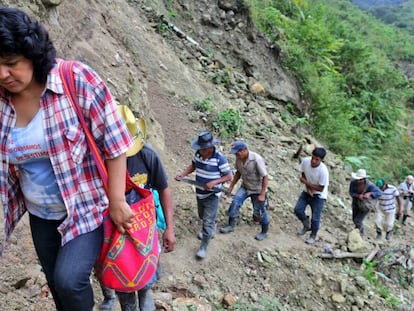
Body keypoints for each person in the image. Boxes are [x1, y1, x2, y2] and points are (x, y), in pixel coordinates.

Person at [0, 8, 134, 311]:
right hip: (40, 214)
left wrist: (116, 200)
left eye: (10, 64)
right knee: (56, 284)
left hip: (86, 208)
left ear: (31, 53)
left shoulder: (75, 79)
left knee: (69, 280)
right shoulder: (2, 101)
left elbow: (115, 144)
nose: (2, 75)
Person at [98, 105, 176, 311]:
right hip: (116, 232)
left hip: (144, 229)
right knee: (125, 290)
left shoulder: (147, 155)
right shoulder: (99, 160)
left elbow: (164, 189)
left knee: (145, 284)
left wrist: (169, 228)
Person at [175, 131, 232, 259]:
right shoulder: (198, 155)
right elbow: (193, 166)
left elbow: (229, 176)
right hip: (200, 192)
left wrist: (214, 182)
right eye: (199, 149)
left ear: (210, 148)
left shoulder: (219, 159)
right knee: (202, 215)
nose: (200, 151)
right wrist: (183, 174)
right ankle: (212, 225)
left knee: (207, 222)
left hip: (212, 195)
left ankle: (203, 246)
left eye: (202, 149)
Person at [219, 141, 270, 241]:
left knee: (259, 211)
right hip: (245, 186)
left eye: (237, 153)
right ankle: (231, 225)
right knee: (235, 203)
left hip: (258, 189)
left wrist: (263, 194)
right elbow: (238, 172)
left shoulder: (256, 159)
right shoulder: (239, 159)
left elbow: (265, 176)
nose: (236, 155)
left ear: (244, 150)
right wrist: (231, 186)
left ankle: (264, 231)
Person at [294, 147, 329, 244]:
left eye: (317, 159)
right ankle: (306, 225)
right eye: (313, 158)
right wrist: (308, 188)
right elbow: (303, 173)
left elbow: (321, 188)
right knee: (298, 209)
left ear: (321, 160)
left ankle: (313, 235)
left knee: (315, 217)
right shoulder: (305, 161)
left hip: (319, 196)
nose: (313, 161)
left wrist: (307, 183)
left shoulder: (323, 171)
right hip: (307, 191)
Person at [349, 169, 382, 236]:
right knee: (354, 219)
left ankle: (361, 234)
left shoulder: (370, 185)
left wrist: (370, 193)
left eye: (360, 179)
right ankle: (357, 231)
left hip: (366, 205)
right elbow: (351, 192)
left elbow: (379, 193)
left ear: (364, 179)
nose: (359, 181)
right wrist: (358, 196)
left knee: (358, 220)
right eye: (358, 179)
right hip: (356, 202)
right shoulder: (353, 183)